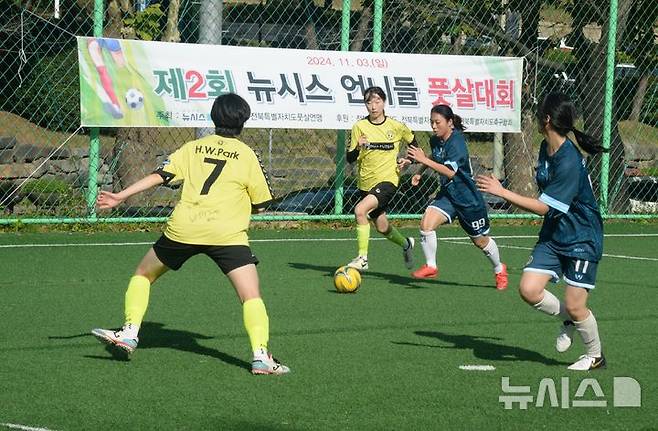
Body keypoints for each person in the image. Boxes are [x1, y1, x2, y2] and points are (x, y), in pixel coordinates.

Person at [91, 93, 290, 375]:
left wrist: (121, 195)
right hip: (227, 234)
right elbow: (261, 204)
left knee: (143, 275)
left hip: (184, 228)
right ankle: (261, 357)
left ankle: (129, 332)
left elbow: (161, 175)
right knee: (251, 296)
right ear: (243, 122)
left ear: (213, 118)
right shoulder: (248, 156)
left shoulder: (194, 147)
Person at [476, 92, 606, 370]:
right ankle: (569, 321)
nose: (535, 117)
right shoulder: (546, 148)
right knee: (529, 289)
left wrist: (502, 192)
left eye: (538, 114)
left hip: (582, 237)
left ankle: (595, 355)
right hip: (554, 234)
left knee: (575, 304)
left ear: (546, 120)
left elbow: (545, 208)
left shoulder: (569, 160)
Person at [406, 105, 508, 290]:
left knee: (480, 241)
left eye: (438, 122)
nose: (434, 126)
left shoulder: (457, 142)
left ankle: (499, 268)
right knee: (426, 224)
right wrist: (421, 171)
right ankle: (431, 266)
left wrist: (424, 161)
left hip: (467, 197)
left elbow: (451, 172)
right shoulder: (436, 141)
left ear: (450, 123)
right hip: (448, 195)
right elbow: (435, 156)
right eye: (431, 122)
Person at [345, 86, 416, 272]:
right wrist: (358, 147)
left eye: (377, 102)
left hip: (388, 181)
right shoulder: (359, 127)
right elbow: (350, 159)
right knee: (382, 227)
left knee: (360, 211)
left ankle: (363, 258)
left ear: (384, 103)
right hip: (366, 183)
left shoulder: (396, 126)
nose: (373, 106)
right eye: (369, 102)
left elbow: (414, 145)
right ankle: (406, 244)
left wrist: (408, 160)